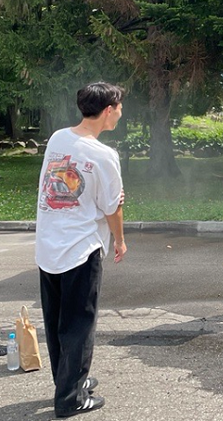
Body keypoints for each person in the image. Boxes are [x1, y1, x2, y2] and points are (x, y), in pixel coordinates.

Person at [36, 81, 127, 418]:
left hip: (48, 246)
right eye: (119, 107)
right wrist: (119, 239)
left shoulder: (59, 138)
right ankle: (71, 399)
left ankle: (69, 382)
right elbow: (112, 207)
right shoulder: (104, 155)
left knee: (57, 321)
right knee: (78, 325)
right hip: (79, 249)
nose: (120, 113)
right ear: (108, 110)